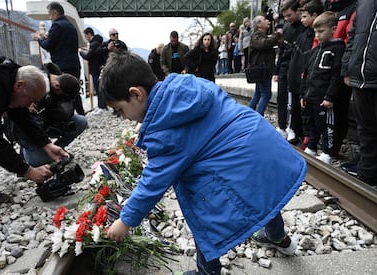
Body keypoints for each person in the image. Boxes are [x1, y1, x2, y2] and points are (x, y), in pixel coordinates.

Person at [101, 51, 307, 275]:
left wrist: (126, 220)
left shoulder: (165, 128)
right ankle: (278, 236)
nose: (124, 117)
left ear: (136, 94)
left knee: (202, 208)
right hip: (263, 144)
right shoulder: (186, 84)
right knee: (259, 191)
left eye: (121, 110)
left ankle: (207, 271)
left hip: (242, 158)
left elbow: (154, 182)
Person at [0, 46, 68, 209]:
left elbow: (20, 113)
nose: (31, 105)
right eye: (32, 99)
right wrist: (28, 171)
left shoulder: (10, 75)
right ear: (20, 86)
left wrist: (46, 144)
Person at [11, 64, 88, 167]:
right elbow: (18, 120)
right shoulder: (33, 84)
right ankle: (27, 153)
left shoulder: (63, 84)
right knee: (37, 161)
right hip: (30, 128)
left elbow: (68, 112)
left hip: (48, 123)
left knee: (81, 121)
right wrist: (26, 107)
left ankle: (57, 149)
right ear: (57, 86)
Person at [341, 0, 377, 187]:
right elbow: (352, 35)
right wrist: (348, 67)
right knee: (365, 129)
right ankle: (367, 175)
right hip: (361, 77)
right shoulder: (364, 3)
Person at [300, 11, 345, 164]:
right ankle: (312, 147)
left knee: (326, 126)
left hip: (323, 98)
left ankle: (327, 151)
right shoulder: (314, 51)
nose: (317, 35)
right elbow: (306, 75)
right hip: (311, 96)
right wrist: (303, 95)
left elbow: (336, 75)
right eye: (315, 32)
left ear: (333, 29)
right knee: (311, 123)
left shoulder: (337, 49)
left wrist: (329, 97)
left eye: (321, 31)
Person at [32, 1, 84, 115]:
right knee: (74, 90)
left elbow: (48, 45)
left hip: (62, 64)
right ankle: (81, 114)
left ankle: (66, 116)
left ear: (55, 13)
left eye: (50, 15)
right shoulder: (70, 26)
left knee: (63, 92)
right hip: (74, 63)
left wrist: (39, 39)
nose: (50, 18)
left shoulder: (57, 25)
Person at [287, 0, 324, 149]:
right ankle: (299, 134)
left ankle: (308, 137)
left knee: (307, 112)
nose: (302, 20)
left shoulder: (313, 37)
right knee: (297, 109)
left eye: (304, 16)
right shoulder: (304, 34)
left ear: (314, 15)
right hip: (296, 78)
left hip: (305, 80)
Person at [328, 0, 357, 158]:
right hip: (329, 68)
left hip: (341, 67)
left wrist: (345, 67)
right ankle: (329, 142)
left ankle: (335, 144)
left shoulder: (353, 8)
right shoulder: (336, 10)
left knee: (340, 108)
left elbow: (349, 39)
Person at [274, 0, 305, 141]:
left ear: (298, 10)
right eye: (285, 16)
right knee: (281, 97)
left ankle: (293, 127)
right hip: (284, 66)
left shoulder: (304, 28)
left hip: (296, 66)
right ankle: (281, 126)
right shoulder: (286, 27)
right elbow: (281, 50)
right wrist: (277, 69)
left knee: (293, 100)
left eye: (289, 15)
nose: (287, 19)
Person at [248, 15, 282, 116]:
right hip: (262, 70)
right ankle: (257, 117)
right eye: (264, 20)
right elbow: (263, 44)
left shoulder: (259, 35)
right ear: (258, 24)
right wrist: (277, 35)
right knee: (266, 94)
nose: (267, 21)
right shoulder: (256, 36)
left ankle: (249, 115)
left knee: (258, 94)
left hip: (262, 69)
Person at [79, 27, 106, 114]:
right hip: (99, 67)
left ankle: (101, 106)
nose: (85, 38)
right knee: (100, 87)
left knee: (98, 88)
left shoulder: (93, 44)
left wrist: (80, 52)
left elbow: (88, 56)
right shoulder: (98, 43)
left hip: (95, 69)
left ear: (89, 34)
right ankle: (102, 105)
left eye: (85, 36)